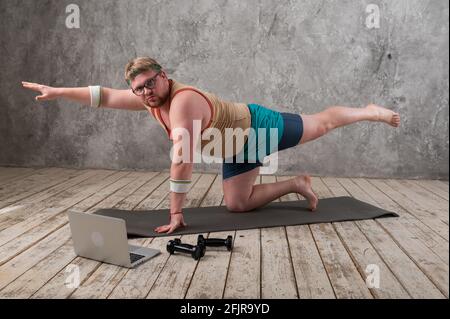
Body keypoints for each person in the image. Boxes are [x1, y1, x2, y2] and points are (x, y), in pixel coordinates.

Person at [22, 57, 401, 234]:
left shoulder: (182, 101)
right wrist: (57, 91)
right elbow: (103, 96)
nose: (146, 93)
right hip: (234, 148)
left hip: (257, 129)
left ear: (164, 76)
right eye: (139, 89)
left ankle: (367, 111)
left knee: (321, 124)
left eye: (151, 83)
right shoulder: (148, 99)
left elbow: (182, 160)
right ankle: (296, 184)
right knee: (238, 205)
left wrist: (175, 214)